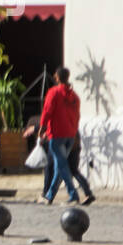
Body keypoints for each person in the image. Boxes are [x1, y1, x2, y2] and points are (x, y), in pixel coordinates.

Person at [33, 66, 85, 206]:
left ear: (56, 77)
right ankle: (49, 196)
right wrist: (74, 133)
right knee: (59, 167)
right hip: (70, 134)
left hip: (57, 135)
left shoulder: (54, 92)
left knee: (62, 166)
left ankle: (73, 195)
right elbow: (77, 116)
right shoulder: (74, 97)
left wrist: (42, 128)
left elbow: (47, 111)